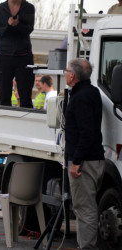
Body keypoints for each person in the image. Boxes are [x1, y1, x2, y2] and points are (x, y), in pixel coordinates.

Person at [65, 58, 105, 250]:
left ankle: (87, 247)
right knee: (85, 206)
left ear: (72, 75)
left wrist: (76, 161)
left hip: (84, 161)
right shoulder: (92, 92)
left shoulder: (80, 98)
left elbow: (86, 132)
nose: (65, 74)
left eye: (66, 71)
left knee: (84, 207)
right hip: (93, 158)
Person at [0, 0, 35, 108]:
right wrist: (9, 25)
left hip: (23, 56)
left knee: (26, 96)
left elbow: (29, 29)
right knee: (4, 96)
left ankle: (27, 121)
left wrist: (17, 25)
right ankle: (5, 121)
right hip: (3, 55)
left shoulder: (28, 8)